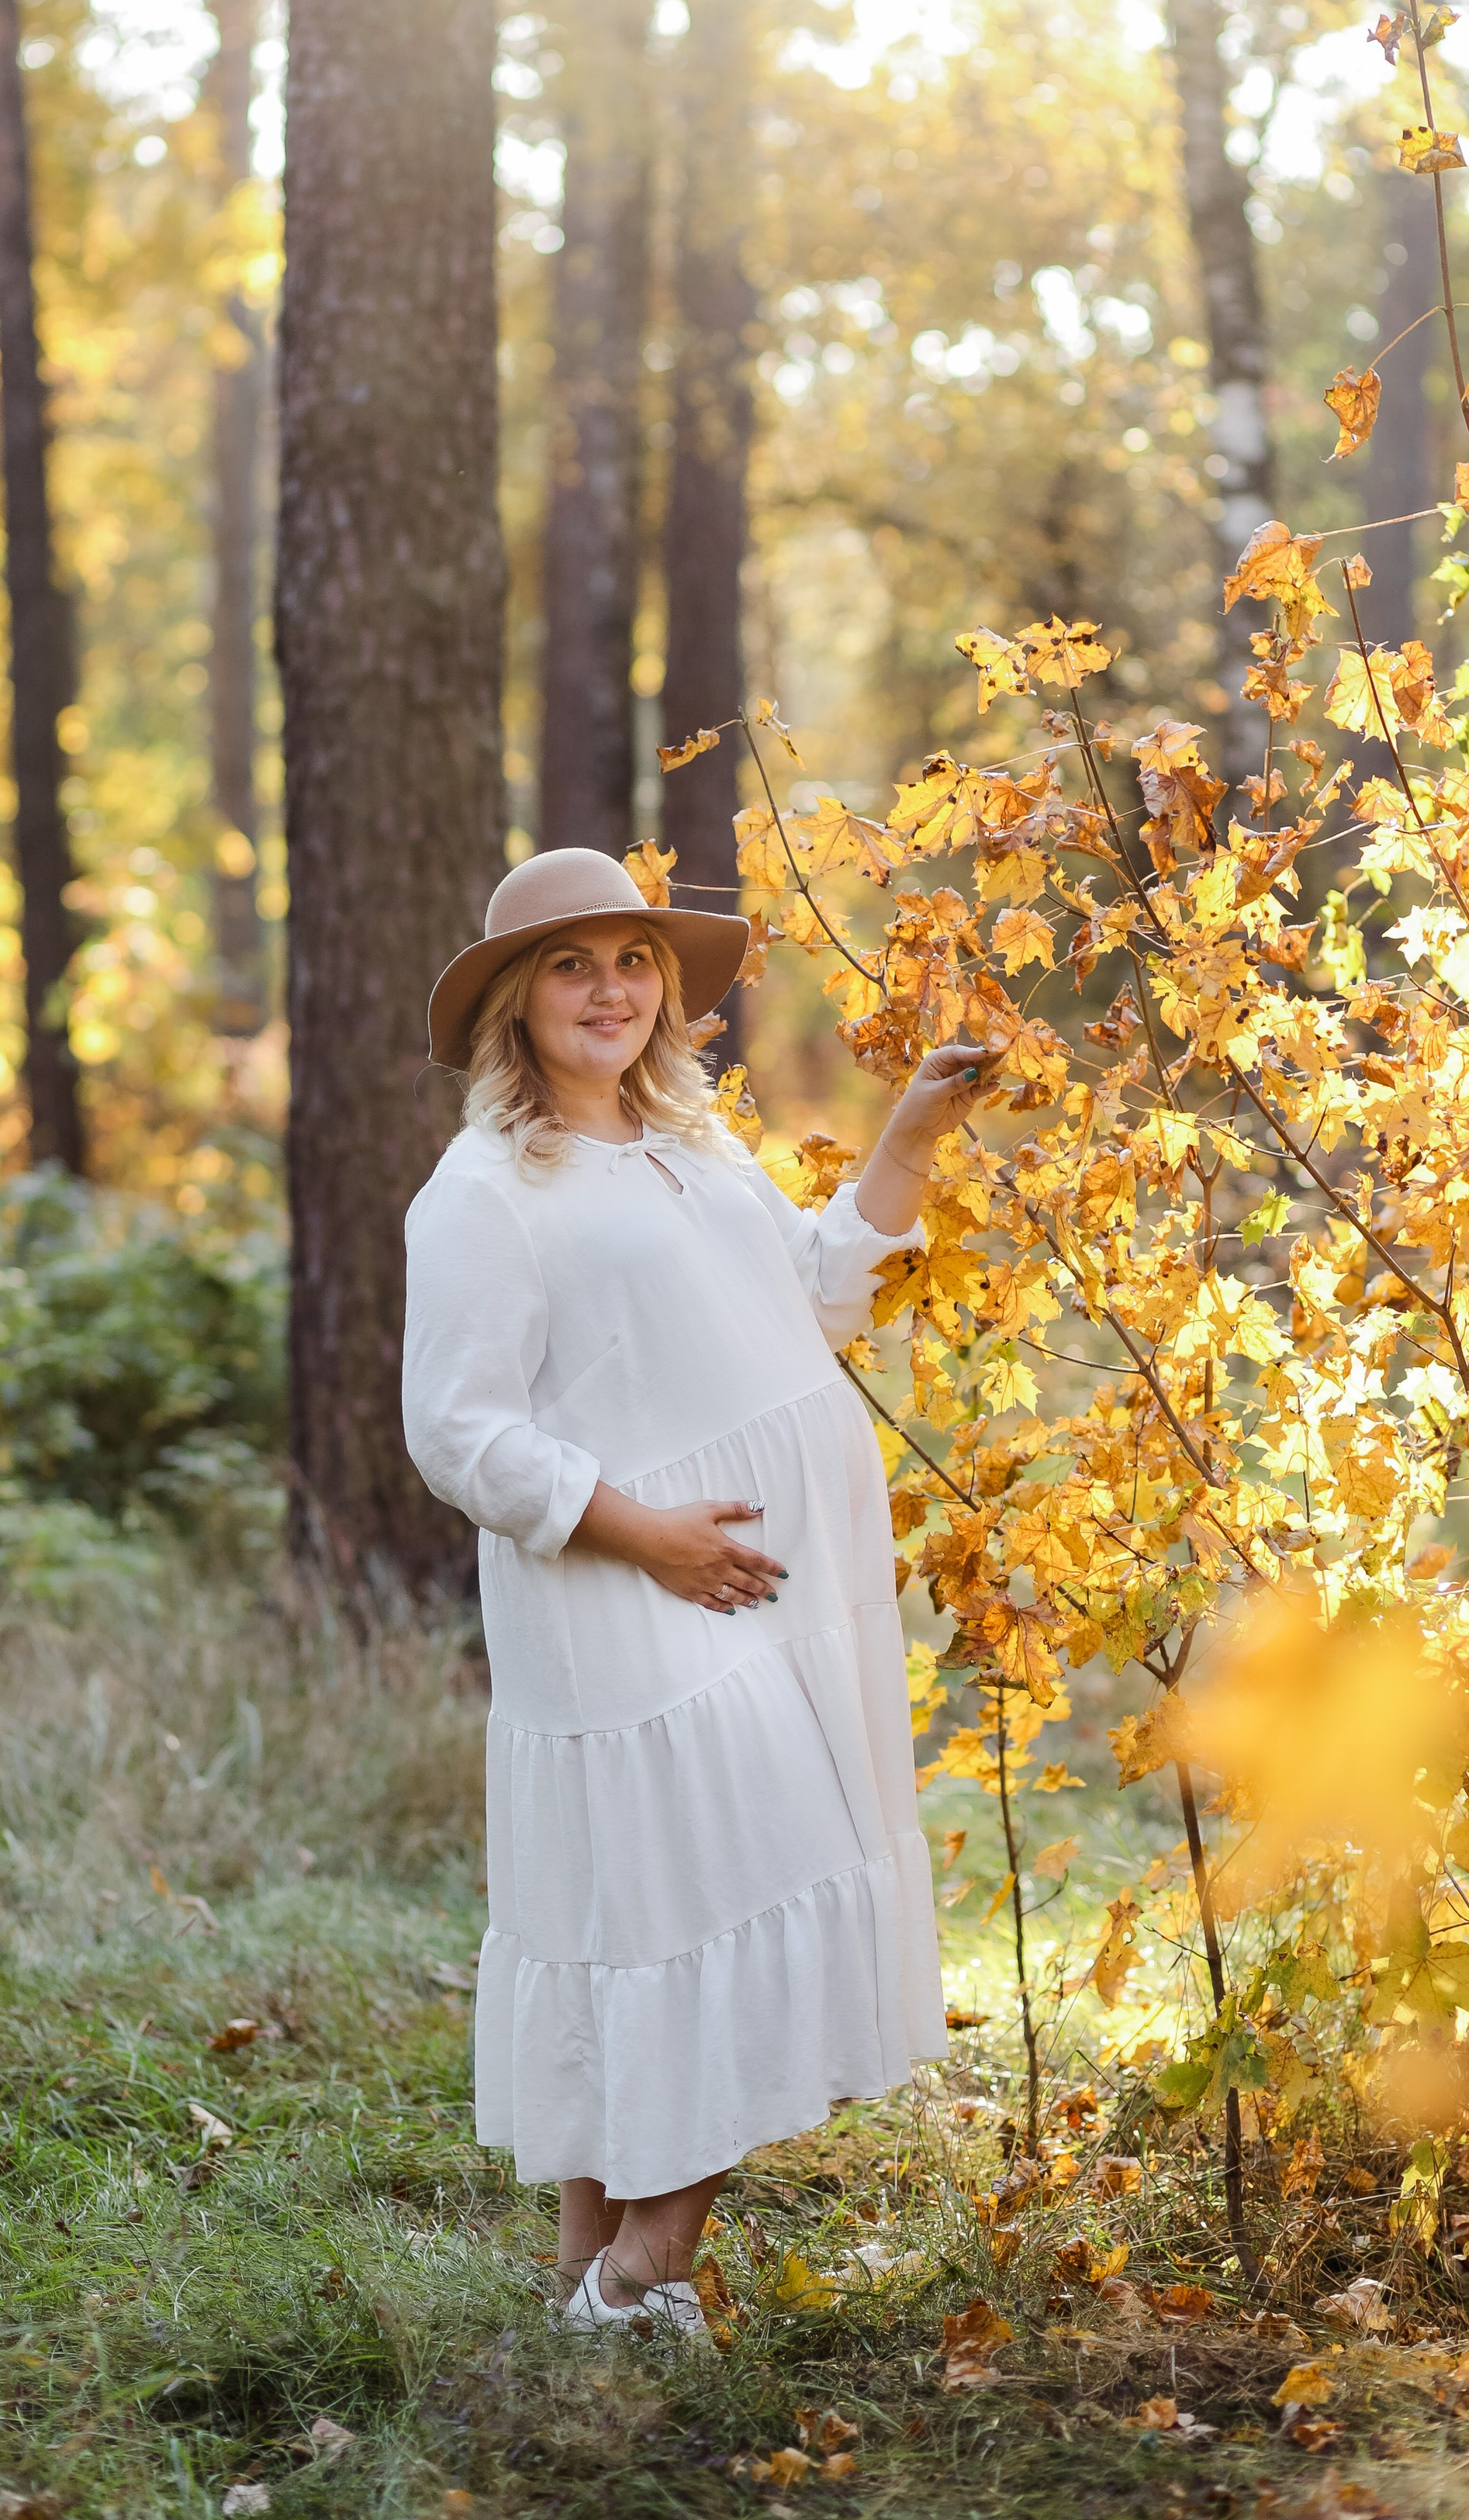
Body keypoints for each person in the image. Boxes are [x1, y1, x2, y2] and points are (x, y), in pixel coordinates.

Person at [402, 845, 980, 2338]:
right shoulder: (485, 1189)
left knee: (653, 1918)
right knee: (718, 1892)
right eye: (573, 965)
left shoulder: (694, 1141)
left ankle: (586, 2298)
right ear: (516, 1004)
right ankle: (649, 2261)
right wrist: (645, 1532)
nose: (612, 989)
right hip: (628, 1600)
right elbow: (456, 1429)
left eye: (635, 961)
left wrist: (909, 1134)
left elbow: (818, 1291)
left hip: (770, 1596)